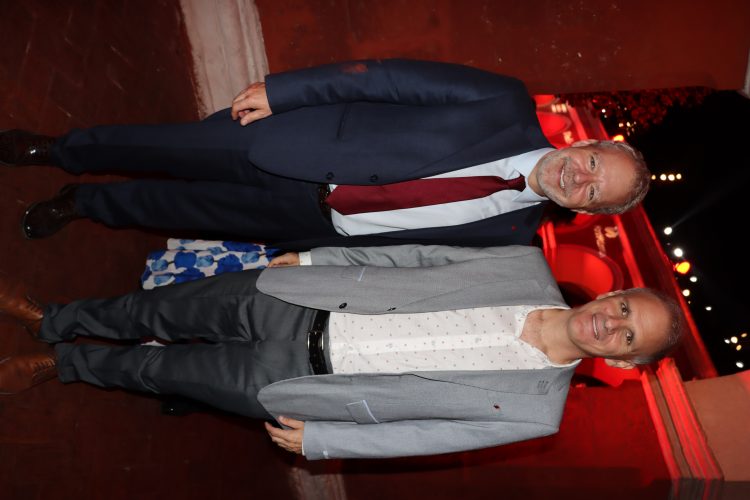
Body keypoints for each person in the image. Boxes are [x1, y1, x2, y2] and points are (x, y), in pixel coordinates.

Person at [0, 244, 682, 459]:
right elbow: (415, 256)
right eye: (624, 308)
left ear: (624, 362)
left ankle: (64, 365)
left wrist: (327, 440)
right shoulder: (524, 264)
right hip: (299, 298)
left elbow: (427, 437)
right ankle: (55, 319)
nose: (610, 325)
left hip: (303, 382)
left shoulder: (539, 412)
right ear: (614, 292)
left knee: (161, 370)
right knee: (156, 311)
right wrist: (316, 258)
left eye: (628, 337)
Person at [0, 59, 650, 251]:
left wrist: (314, 256)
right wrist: (285, 92)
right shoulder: (504, 102)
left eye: (595, 190)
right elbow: (387, 78)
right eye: (594, 163)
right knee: (162, 146)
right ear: (586, 143)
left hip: (305, 222)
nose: (580, 177)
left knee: (174, 207)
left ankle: (86, 203)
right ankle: (62, 150)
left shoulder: (512, 236)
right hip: (293, 139)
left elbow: (412, 256)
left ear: (591, 210)